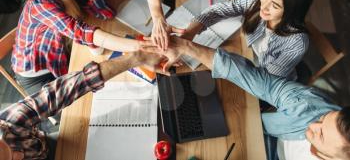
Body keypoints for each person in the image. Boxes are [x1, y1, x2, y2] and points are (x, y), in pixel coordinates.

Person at [142, 36, 350, 160]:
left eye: (321, 134)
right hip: (261, 134)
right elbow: (261, 81)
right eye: (324, 119)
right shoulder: (310, 107)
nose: (313, 124)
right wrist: (188, 47)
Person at [11, 0, 143, 95]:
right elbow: (80, 31)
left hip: (60, 56)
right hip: (37, 75)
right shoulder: (40, 3)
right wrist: (138, 46)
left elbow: (107, 13)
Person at [0, 50, 165, 160]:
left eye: (9, 148)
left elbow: (60, 92)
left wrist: (134, 58)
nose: (19, 156)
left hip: (49, 146)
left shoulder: (9, 123)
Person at [183, 0, 315, 80]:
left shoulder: (297, 43)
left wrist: (194, 50)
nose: (264, 6)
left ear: (293, 10)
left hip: (267, 81)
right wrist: (190, 32)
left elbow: (266, 81)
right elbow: (223, 9)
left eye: (275, 5)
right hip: (249, 57)